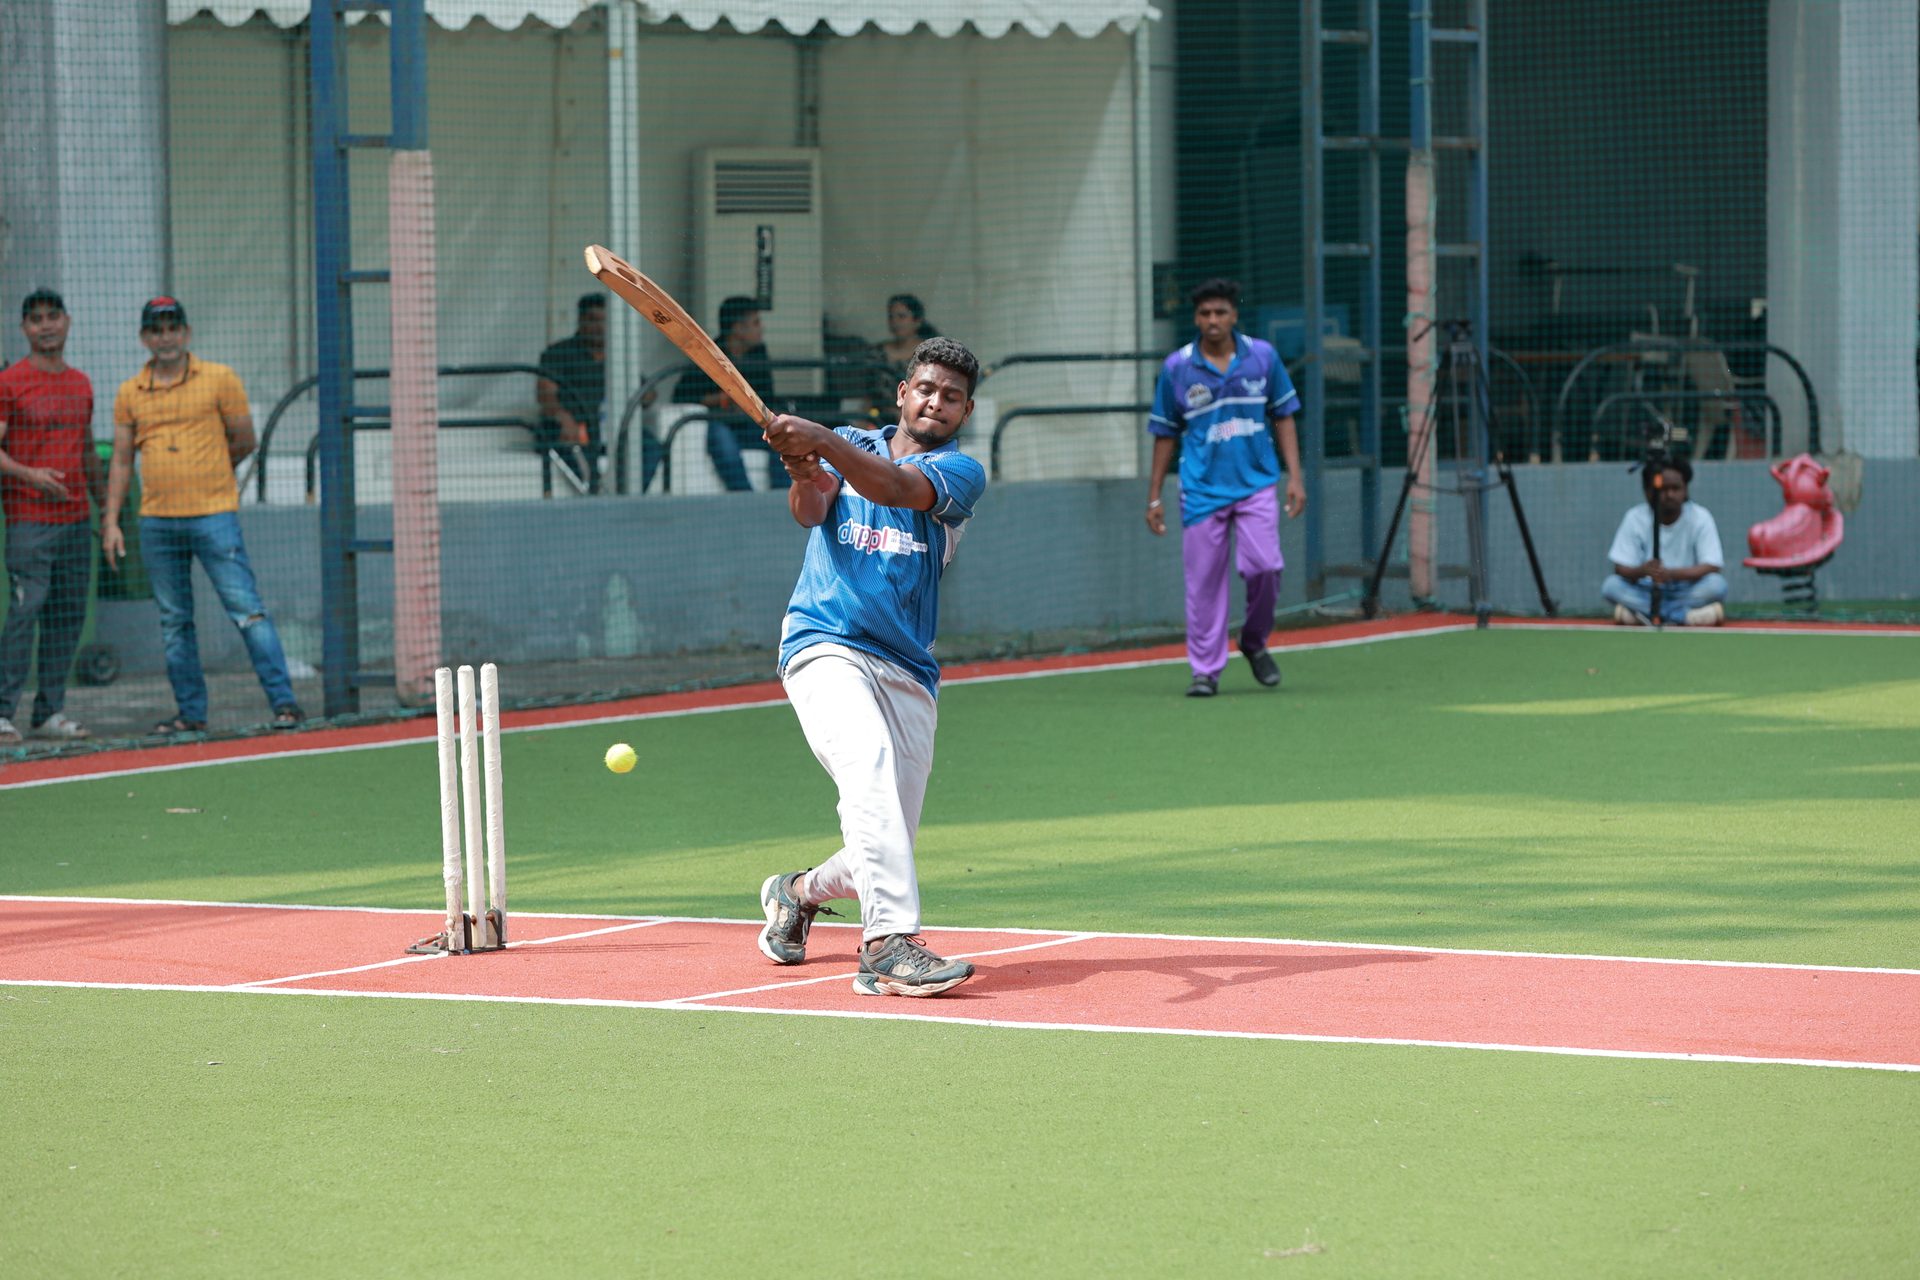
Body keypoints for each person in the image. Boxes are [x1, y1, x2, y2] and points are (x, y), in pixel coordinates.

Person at [752, 336, 987, 997]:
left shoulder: (960, 474)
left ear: (965, 411)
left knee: (882, 843)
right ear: (902, 394)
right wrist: (805, 472)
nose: (936, 402)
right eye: (926, 389)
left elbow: (891, 485)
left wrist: (819, 441)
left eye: (952, 397)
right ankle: (887, 944)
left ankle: (796, 894)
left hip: (907, 667)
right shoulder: (855, 441)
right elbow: (811, 510)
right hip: (823, 643)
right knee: (867, 769)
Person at [101, 297, 304, 734]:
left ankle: (285, 705)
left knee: (247, 611)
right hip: (156, 522)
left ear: (187, 333)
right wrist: (111, 522)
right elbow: (120, 460)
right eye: (156, 330)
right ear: (144, 339)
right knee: (174, 622)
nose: (166, 337)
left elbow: (245, 440)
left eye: (173, 327)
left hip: (214, 517)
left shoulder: (219, 378)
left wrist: (210, 473)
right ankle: (190, 715)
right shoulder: (130, 392)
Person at [1144, 278, 1306, 698]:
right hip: (1201, 491)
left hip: (1256, 483)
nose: (1212, 321)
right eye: (1204, 314)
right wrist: (1155, 496)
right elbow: (1164, 433)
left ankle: (1253, 641)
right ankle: (1205, 672)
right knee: (1203, 586)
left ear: (1234, 315)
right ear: (1196, 319)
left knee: (1265, 568)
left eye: (1220, 313)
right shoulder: (1177, 367)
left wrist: (1296, 477)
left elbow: (1284, 414)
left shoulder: (1263, 357)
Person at [0, 288, 104, 744]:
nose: (45, 326)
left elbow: (87, 452)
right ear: (25, 329)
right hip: (29, 521)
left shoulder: (81, 383)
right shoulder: (10, 382)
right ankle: (3, 712)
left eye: (53, 317)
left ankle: (49, 713)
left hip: (77, 523)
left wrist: (109, 513)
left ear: (67, 321)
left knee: (66, 616)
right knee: (26, 612)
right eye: (36, 319)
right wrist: (31, 475)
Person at [671, 296, 784, 491]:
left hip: (751, 425)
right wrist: (721, 399)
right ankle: (746, 498)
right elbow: (680, 396)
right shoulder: (709, 353)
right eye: (756, 323)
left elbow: (768, 397)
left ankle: (781, 497)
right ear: (738, 329)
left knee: (783, 436)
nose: (761, 328)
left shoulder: (759, 354)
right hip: (721, 424)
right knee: (722, 440)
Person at [1602, 456, 1727, 626]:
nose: (1670, 495)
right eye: (1663, 489)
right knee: (1611, 586)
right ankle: (1684, 617)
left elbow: (1712, 565)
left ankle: (1647, 616)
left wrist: (1671, 574)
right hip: (1645, 590)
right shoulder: (1634, 517)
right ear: (1649, 491)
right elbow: (1620, 568)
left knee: (1717, 586)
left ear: (1685, 490)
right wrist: (1643, 570)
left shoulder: (1700, 517)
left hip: (1685, 589)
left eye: (1676, 488)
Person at [535, 292, 615, 493]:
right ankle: (595, 503)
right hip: (572, 432)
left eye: (604, 321)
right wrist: (562, 417)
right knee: (585, 467)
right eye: (593, 320)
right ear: (580, 320)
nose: (599, 328)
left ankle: (634, 498)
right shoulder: (559, 353)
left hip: (611, 433)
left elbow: (648, 395)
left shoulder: (618, 354)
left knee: (651, 444)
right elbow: (545, 393)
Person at [868, 293, 938, 407]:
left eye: (901, 316)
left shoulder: (929, 352)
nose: (895, 322)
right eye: (891, 317)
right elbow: (868, 392)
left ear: (917, 321)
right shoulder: (877, 353)